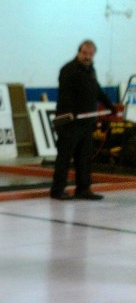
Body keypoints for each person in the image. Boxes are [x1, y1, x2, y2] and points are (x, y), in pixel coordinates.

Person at [50, 40, 116, 201]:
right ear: (79, 52)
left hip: (86, 123)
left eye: (90, 54)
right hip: (70, 122)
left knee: (84, 157)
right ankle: (57, 190)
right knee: (64, 157)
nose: (87, 57)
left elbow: (97, 90)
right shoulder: (68, 70)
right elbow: (65, 95)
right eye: (85, 53)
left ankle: (84, 188)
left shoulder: (90, 71)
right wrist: (70, 114)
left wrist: (110, 106)